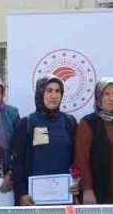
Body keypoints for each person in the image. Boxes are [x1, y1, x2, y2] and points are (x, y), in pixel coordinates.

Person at [10, 76, 78, 205]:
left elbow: (76, 158)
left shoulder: (69, 122)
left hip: (64, 196)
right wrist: (21, 193)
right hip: (33, 199)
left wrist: (77, 181)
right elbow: (17, 162)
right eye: (49, 90)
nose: (54, 95)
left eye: (58, 91)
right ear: (40, 93)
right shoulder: (27, 122)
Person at [76, 78, 113, 205]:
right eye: (106, 94)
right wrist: (87, 189)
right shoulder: (88, 123)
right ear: (99, 97)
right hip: (99, 188)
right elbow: (81, 159)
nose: (112, 98)